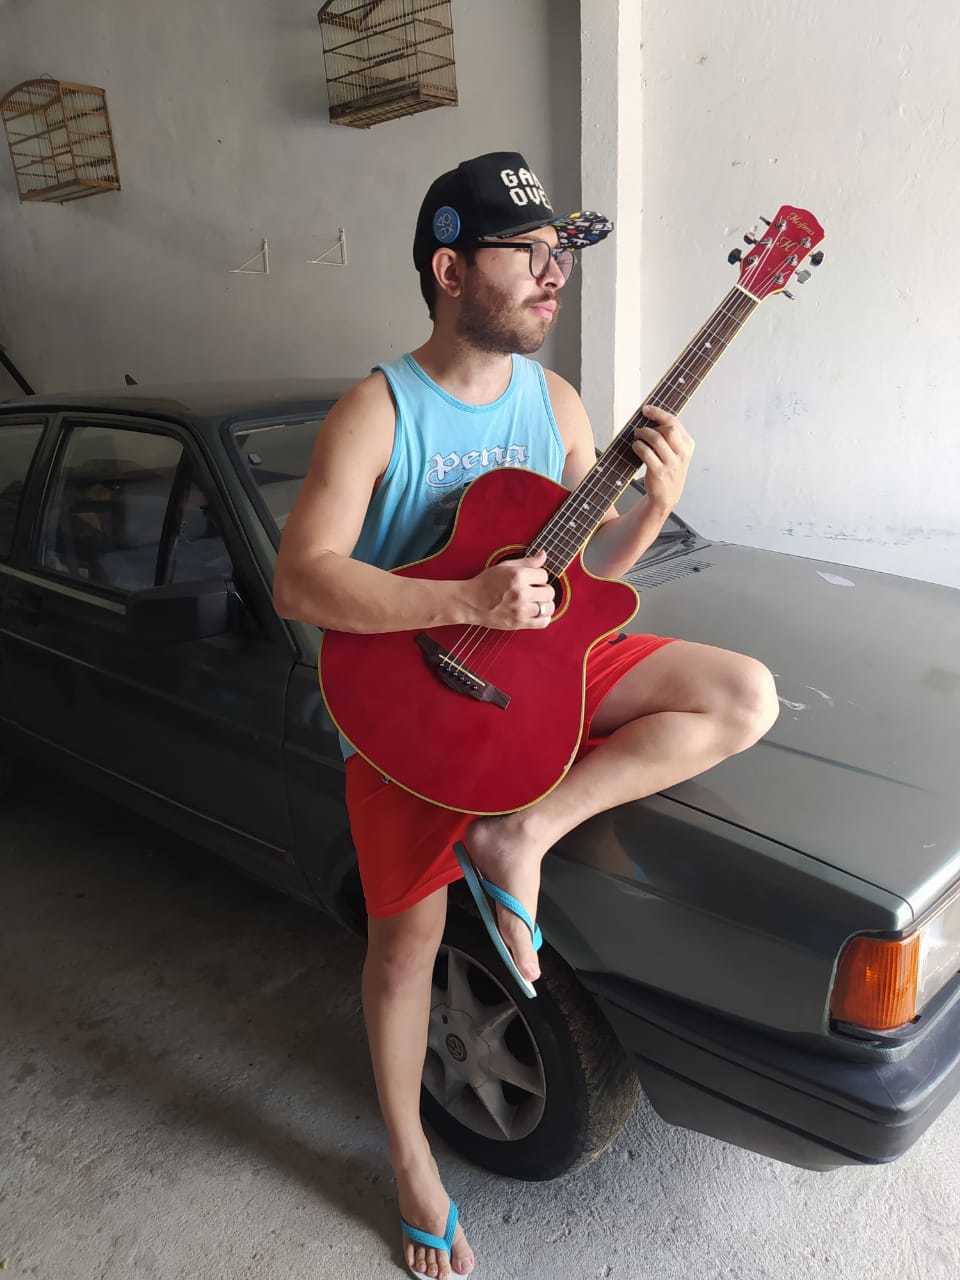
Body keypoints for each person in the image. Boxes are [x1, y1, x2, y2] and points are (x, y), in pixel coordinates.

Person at [273, 151, 780, 1280]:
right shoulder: (377, 411)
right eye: (530, 253)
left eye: (563, 254)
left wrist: (653, 505)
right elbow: (301, 580)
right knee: (405, 954)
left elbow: (579, 583)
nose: (556, 274)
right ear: (450, 270)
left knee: (741, 693)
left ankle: (526, 831)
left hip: (540, 673)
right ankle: (412, 1161)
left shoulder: (555, 405)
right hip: (413, 711)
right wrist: (466, 598)